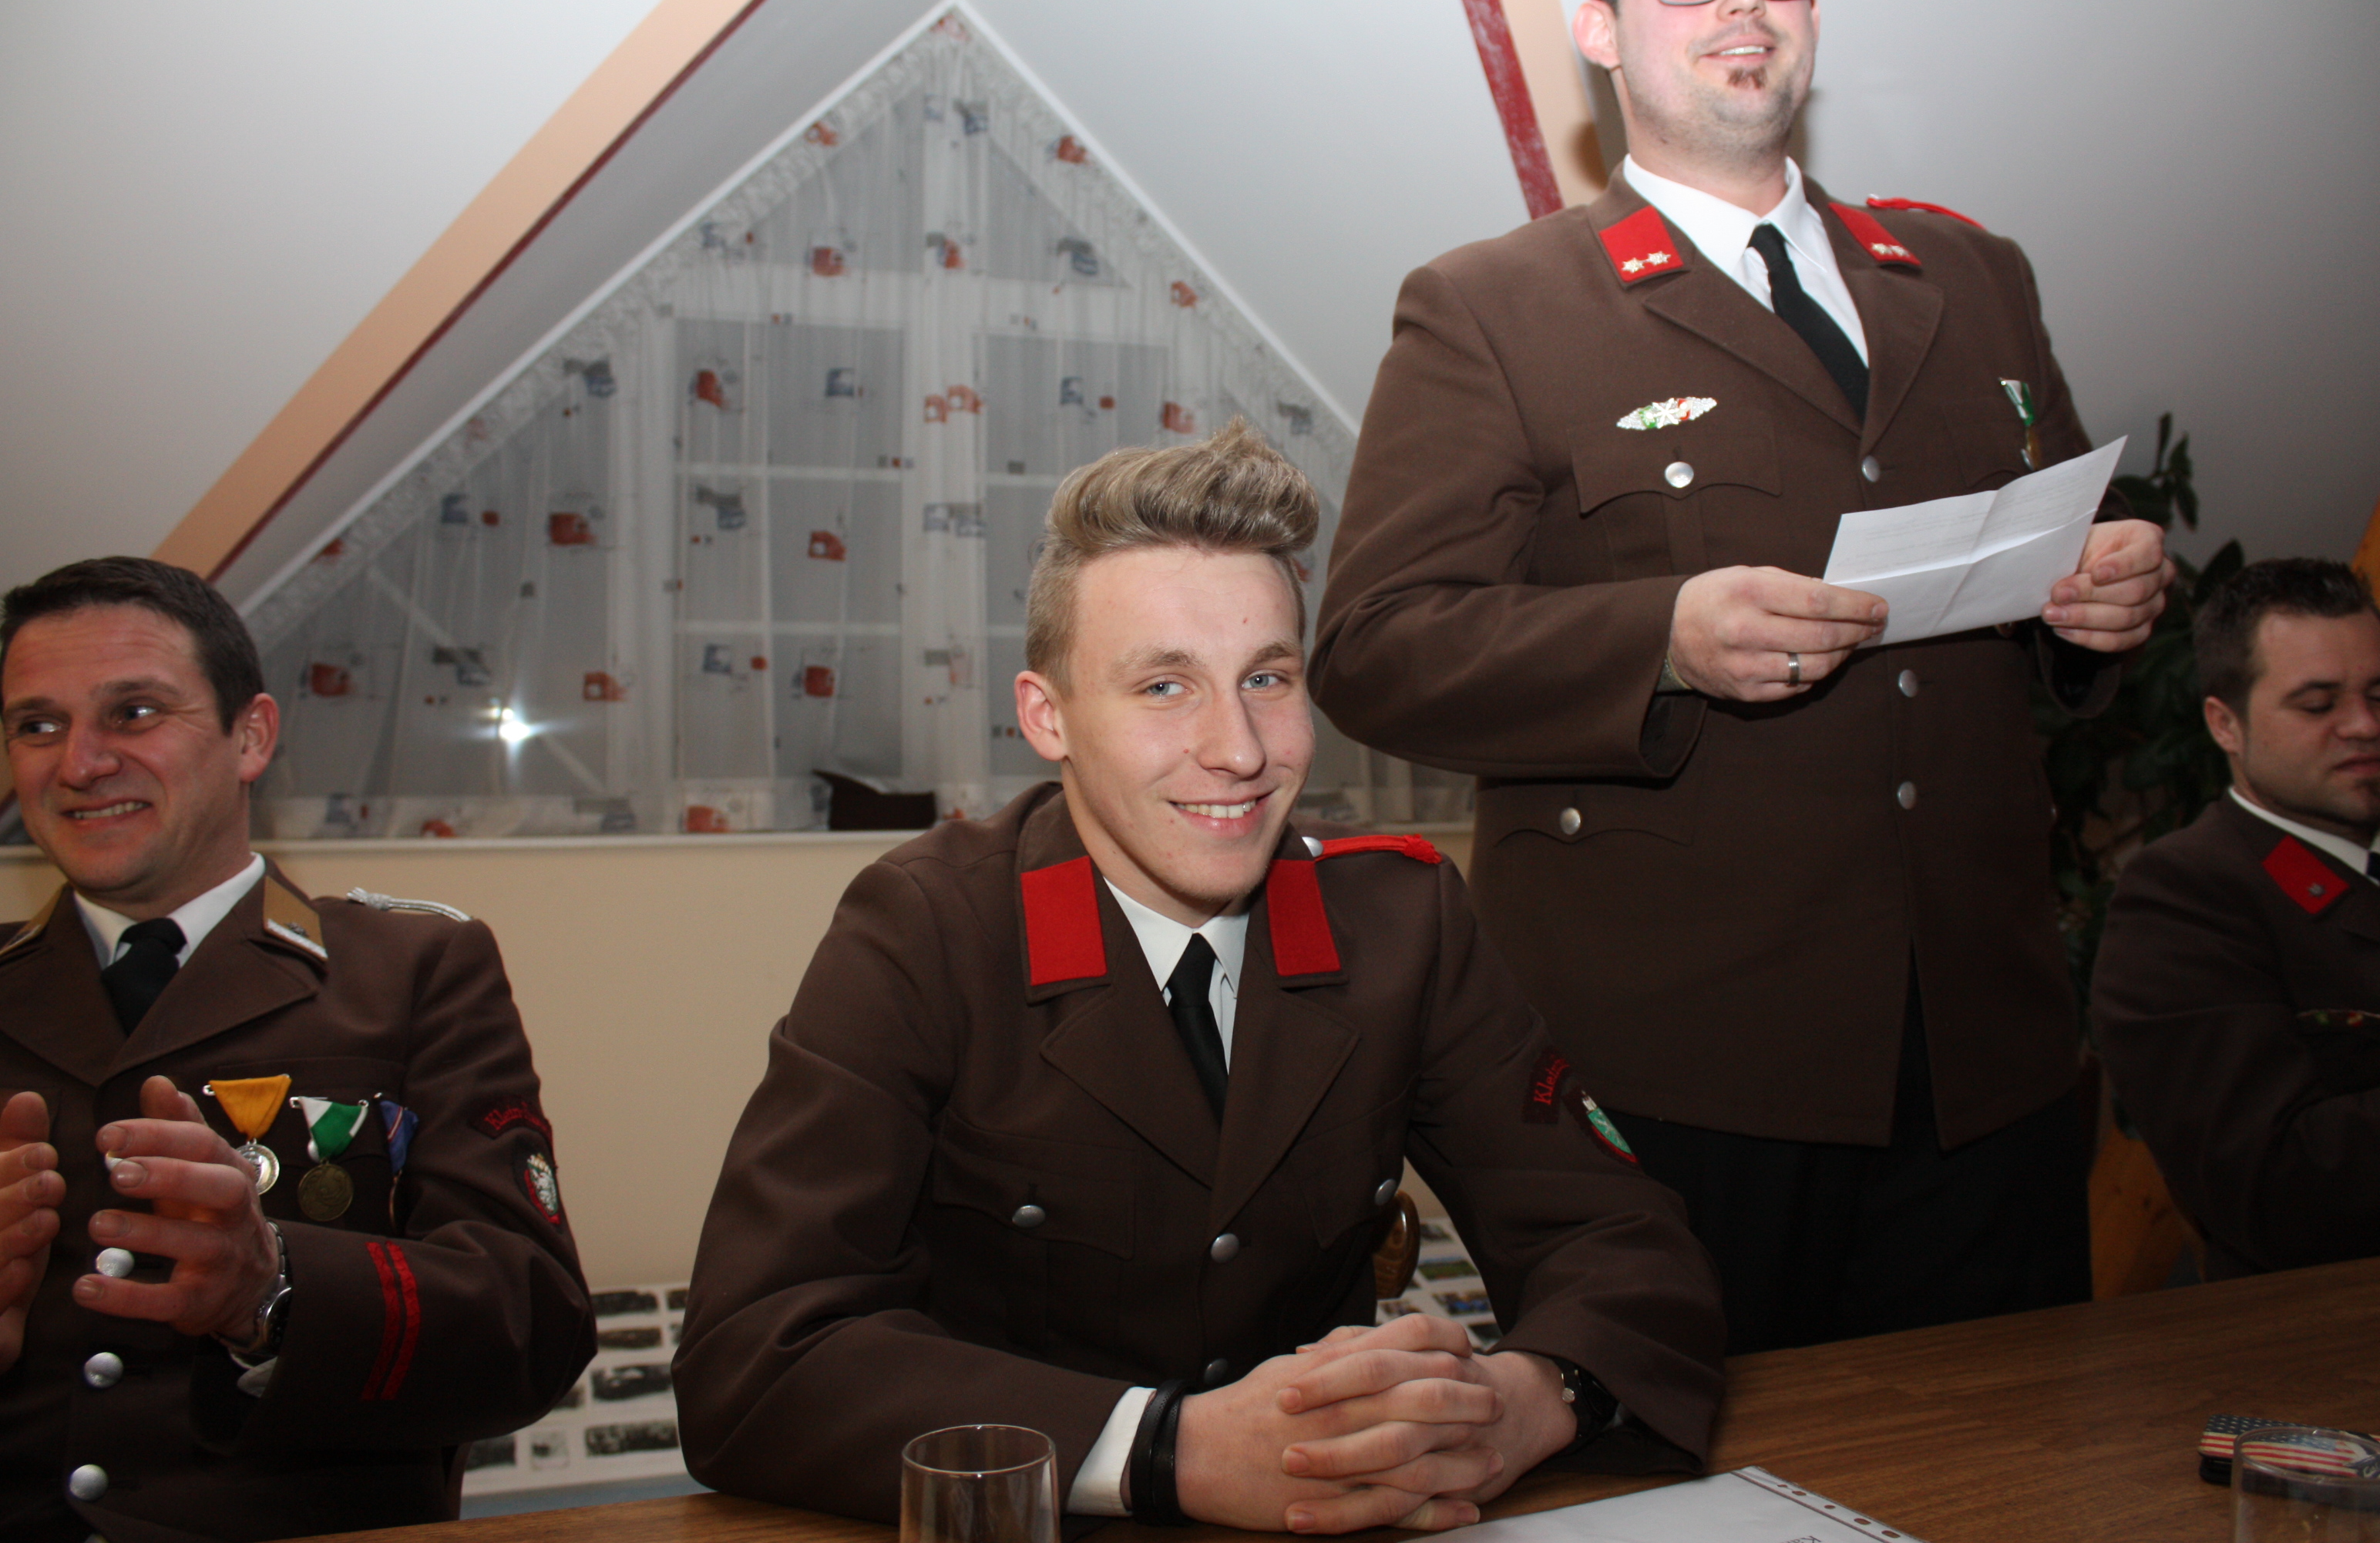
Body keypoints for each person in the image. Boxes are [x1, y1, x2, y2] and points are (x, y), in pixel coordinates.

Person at [1309, 0, 2176, 1353]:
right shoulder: (1494, 307)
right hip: (1688, 1068)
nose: (1742, 1)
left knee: (2006, 1449)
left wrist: (2103, 593)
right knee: (1695, 1455)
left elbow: (2059, 542)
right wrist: (1658, 641)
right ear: (1598, 30)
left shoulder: (1970, 274)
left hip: (1987, 1049)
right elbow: (1372, 646)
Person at [674, 420, 1723, 1532]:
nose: (1240, 749)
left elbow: (1621, 1245)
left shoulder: (1400, 918)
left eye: (1266, 677)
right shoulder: (928, 930)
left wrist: (1527, 1401)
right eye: (1165, 686)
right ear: (1047, 716)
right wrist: (1169, 1450)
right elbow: (754, 1357)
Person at [0, 557, 595, 1542]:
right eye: (37, 725)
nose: (80, 763)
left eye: (134, 712)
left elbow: (530, 1325)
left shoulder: (411, 972)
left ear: (251, 736)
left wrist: (271, 1288)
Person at [2093, 558, 2380, 1279]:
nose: (2364, 726)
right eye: (2317, 705)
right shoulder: (2183, 898)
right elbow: (2273, 1189)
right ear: (2225, 724)